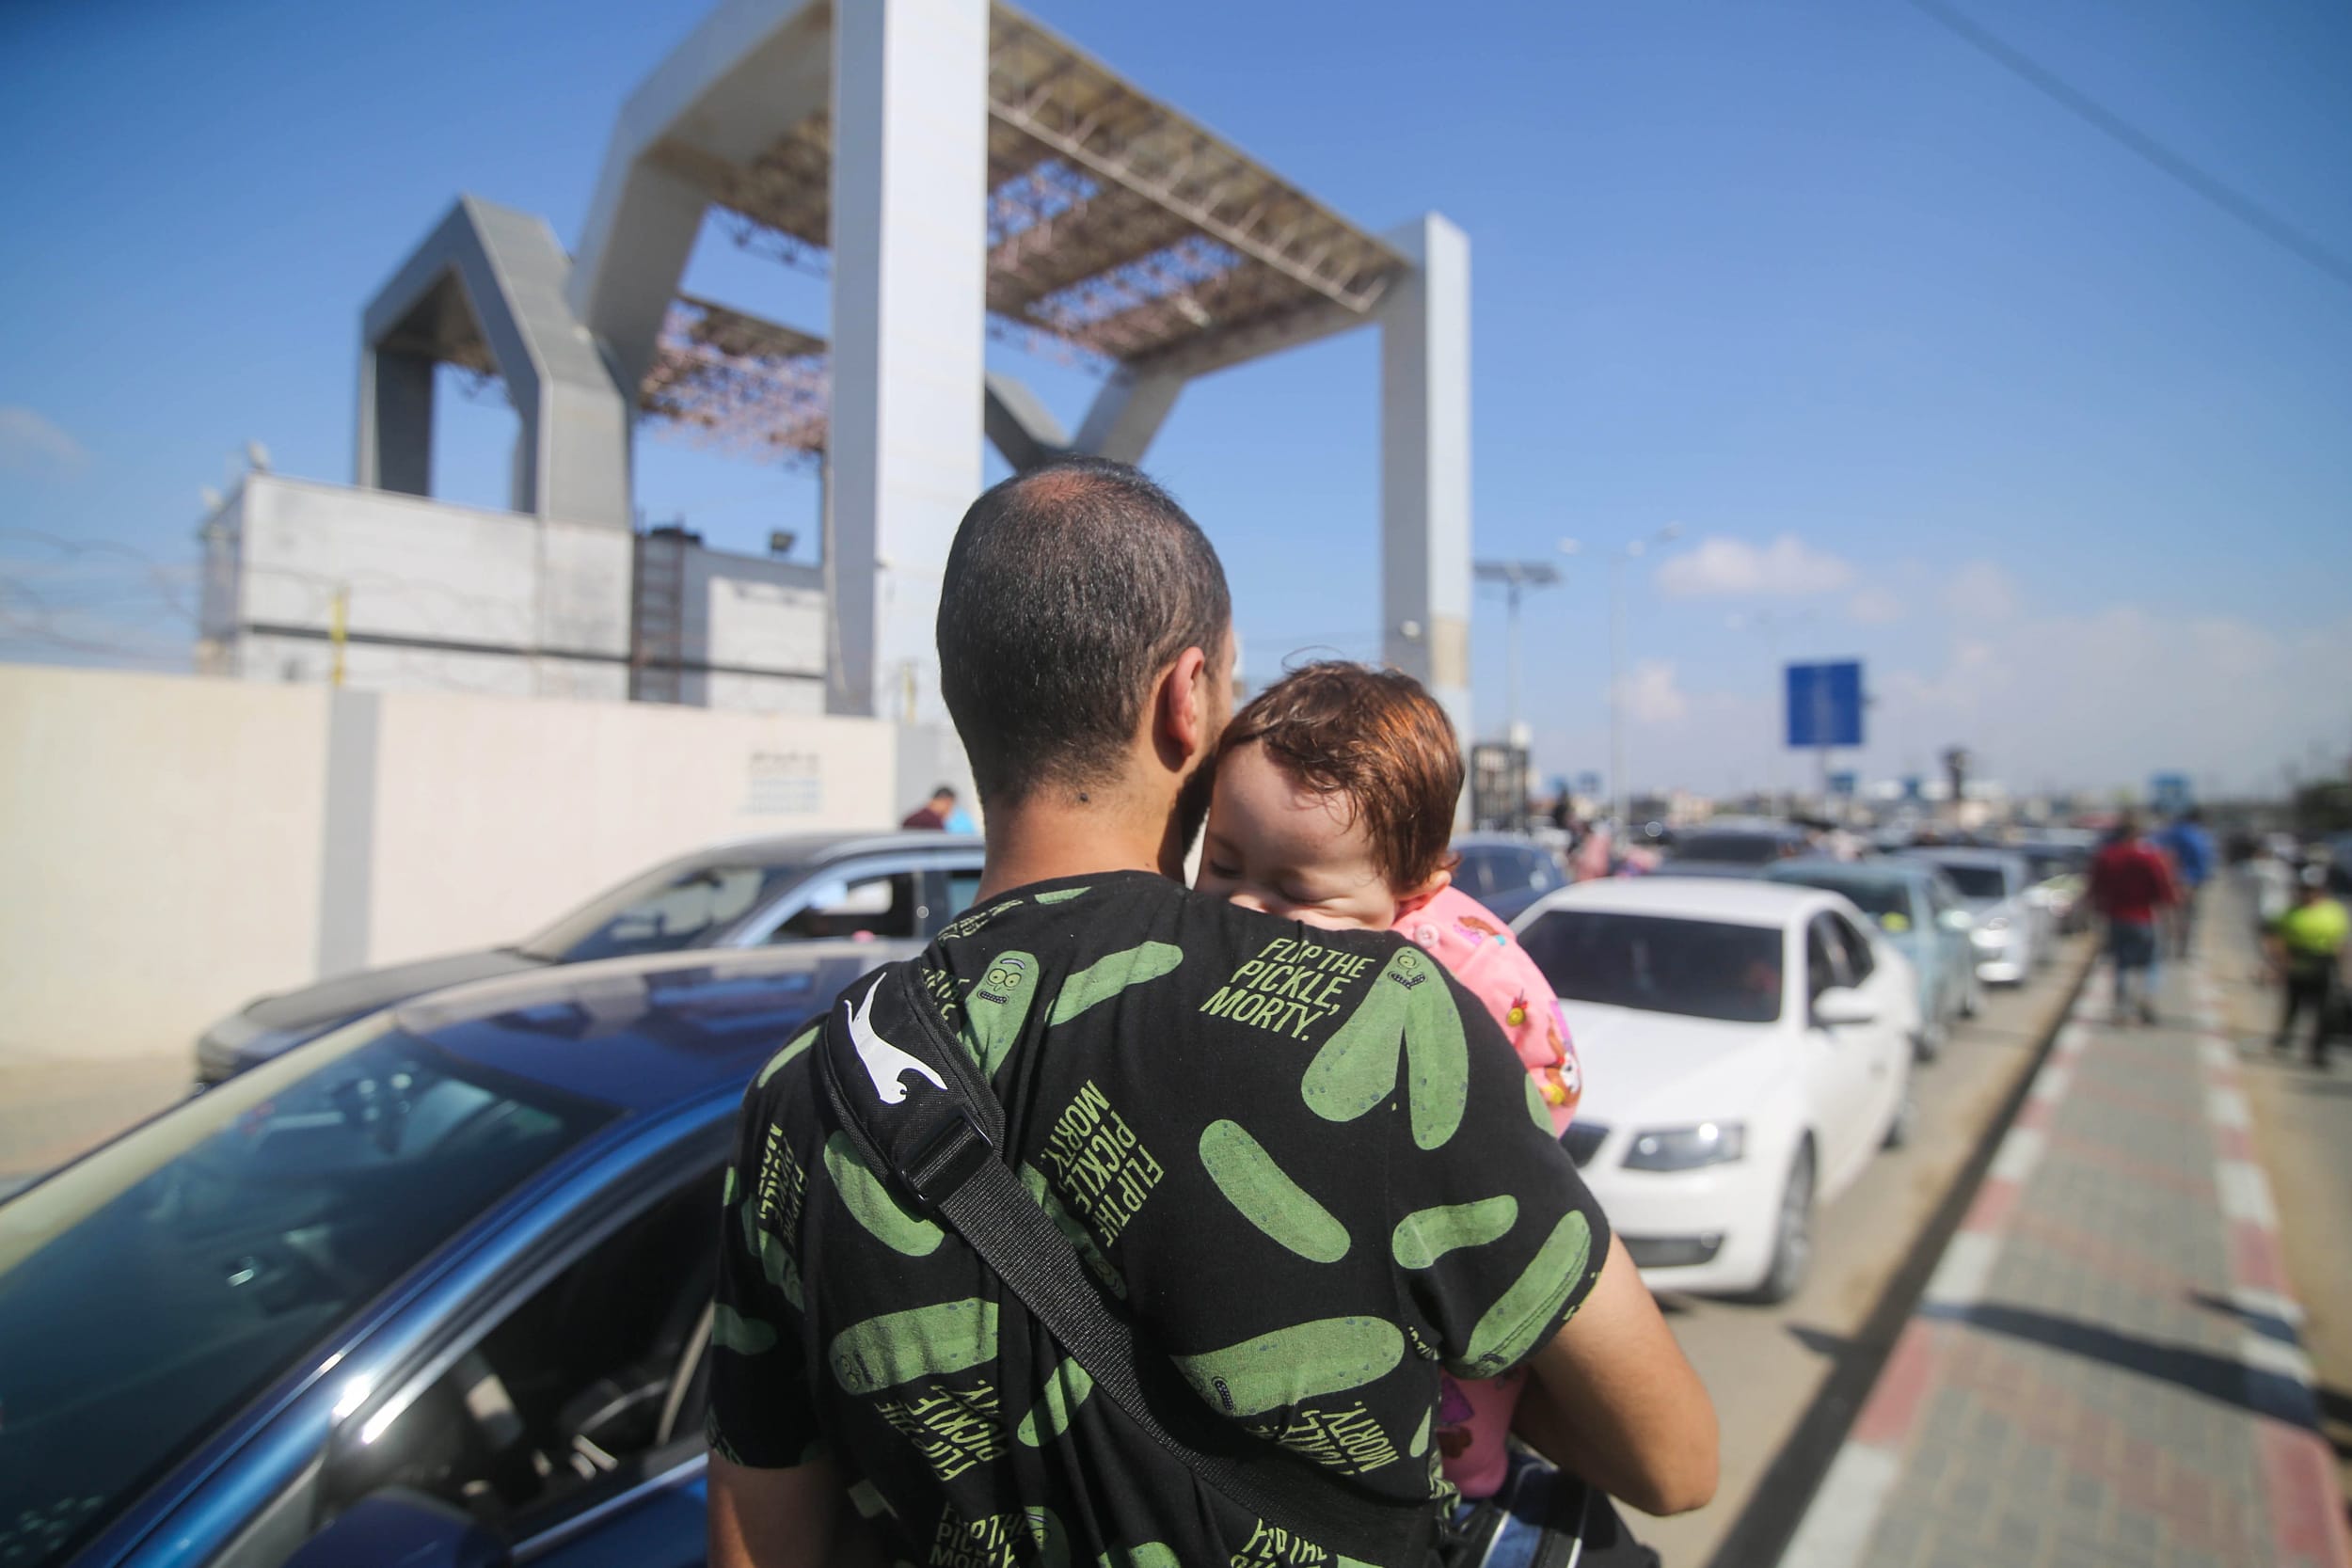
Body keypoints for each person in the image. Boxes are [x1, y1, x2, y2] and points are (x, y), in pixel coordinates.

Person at [707, 459, 1716, 1567]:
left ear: (964, 697)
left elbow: (759, 1538)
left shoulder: (801, 1091)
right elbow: (1674, 1460)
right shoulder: (1380, 1014)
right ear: (1186, 698)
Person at [1191, 661, 1581, 1506]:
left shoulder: (1465, 968)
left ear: (1415, 889)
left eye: (1295, 892)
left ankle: (1469, 1475)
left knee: (1461, 1406)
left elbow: (1550, 1076)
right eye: (1223, 865)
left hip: (1438, 1230)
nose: (1245, 911)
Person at [2087, 813, 2177, 1025]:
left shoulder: (2107, 856)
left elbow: (2095, 888)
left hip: (2116, 918)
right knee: (2151, 963)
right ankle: (2147, 998)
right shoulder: (2150, 857)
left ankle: (2121, 1009)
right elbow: (2164, 890)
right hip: (2145, 918)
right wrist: (2171, 918)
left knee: (2121, 964)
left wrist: (2094, 913)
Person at [2266, 864, 2348, 1068]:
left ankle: (2318, 1051)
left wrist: (2344, 972)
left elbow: (2341, 943)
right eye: (2304, 889)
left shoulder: (2334, 911)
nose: (2307, 894)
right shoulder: (2290, 912)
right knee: (2293, 1006)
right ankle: (2284, 1039)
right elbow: (2278, 939)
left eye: (2312, 889)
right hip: (2296, 963)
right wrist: (2280, 964)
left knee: (2324, 1011)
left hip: (2323, 965)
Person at [2154, 808, 2215, 959]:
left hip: (2168, 880)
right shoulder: (2197, 836)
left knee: (2168, 916)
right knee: (2186, 917)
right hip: (2189, 881)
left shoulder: (2168, 833)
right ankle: (2182, 950)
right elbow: (2203, 858)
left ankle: (2166, 948)